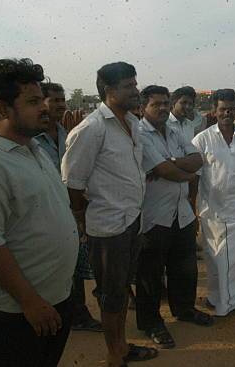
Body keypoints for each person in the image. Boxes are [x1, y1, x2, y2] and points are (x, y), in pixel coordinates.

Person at [0, 59, 79, 367]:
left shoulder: (33, 150)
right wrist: (31, 303)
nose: (45, 109)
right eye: (33, 102)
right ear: (2, 108)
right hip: (20, 314)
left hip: (55, 301)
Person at [62, 62, 158, 366]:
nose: (136, 90)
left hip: (131, 221)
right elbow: (73, 182)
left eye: (135, 84)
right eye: (129, 86)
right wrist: (81, 218)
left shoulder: (132, 122)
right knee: (111, 295)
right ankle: (115, 354)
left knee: (119, 292)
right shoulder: (92, 129)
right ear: (109, 91)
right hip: (108, 227)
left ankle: (121, 346)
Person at [135, 85, 213, 348]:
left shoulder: (175, 130)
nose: (163, 108)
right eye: (156, 104)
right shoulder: (140, 134)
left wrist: (171, 162)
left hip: (182, 212)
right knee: (151, 274)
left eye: (166, 103)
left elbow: (197, 159)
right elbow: (169, 171)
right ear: (143, 107)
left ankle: (184, 310)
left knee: (185, 268)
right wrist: (177, 166)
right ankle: (151, 323)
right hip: (154, 215)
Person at [34, 82, 102, 333]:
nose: (61, 104)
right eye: (54, 100)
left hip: (70, 210)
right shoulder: (32, 139)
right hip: (45, 213)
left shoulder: (66, 132)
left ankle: (76, 313)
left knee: (72, 265)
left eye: (63, 99)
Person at [191, 89, 235, 320]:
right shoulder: (202, 140)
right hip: (212, 212)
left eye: (231, 108)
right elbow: (195, 178)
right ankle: (217, 300)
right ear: (214, 111)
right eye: (222, 109)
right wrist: (195, 209)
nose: (227, 112)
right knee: (216, 258)